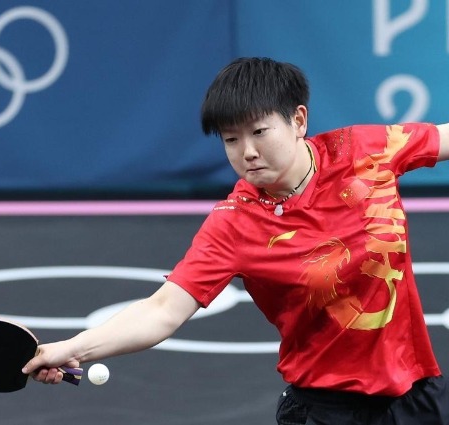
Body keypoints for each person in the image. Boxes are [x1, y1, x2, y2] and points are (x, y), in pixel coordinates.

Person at [23, 57, 449, 424]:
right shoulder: (234, 224)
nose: (247, 152)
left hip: (418, 393)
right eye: (231, 139)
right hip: (327, 408)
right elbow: (162, 311)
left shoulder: (365, 151)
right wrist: (73, 348)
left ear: (298, 120)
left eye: (259, 132)